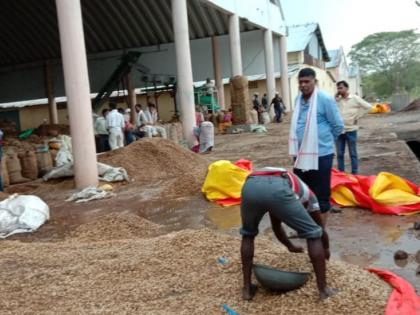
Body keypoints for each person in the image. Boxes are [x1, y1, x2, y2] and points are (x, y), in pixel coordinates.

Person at [240, 167, 335, 301]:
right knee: (313, 234)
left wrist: (290, 246)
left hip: (250, 185)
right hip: (278, 184)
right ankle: (323, 291)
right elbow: (318, 230)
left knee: (248, 234)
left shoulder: (294, 190)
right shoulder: (310, 197)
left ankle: (247, 289)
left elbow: (276, 226)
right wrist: (325, 248)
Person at [289, 68, 344, 226]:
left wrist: (324, 141)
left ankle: (320, 232)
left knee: (321, 195)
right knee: (302, 193)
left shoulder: (324, 99)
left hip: (321, 155)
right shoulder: (298, 100)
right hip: (300, 155)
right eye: (301, 82)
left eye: (307, 81)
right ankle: (308, 228)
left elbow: (337, 126)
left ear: (315, 82)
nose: (303, 85)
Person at [335, 80, 372, 174]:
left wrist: (357, 116)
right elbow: (332, 111)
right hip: (339, 131)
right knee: (339, 154)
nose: (339, 90)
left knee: (353, 153)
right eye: (338, 88)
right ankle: (341, 173)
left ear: (346, 88)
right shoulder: (338, 100)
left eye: (341, 88)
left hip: (351, 130)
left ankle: (354, 173)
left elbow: (369, 107)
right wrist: (334, 99)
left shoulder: (355, 98)